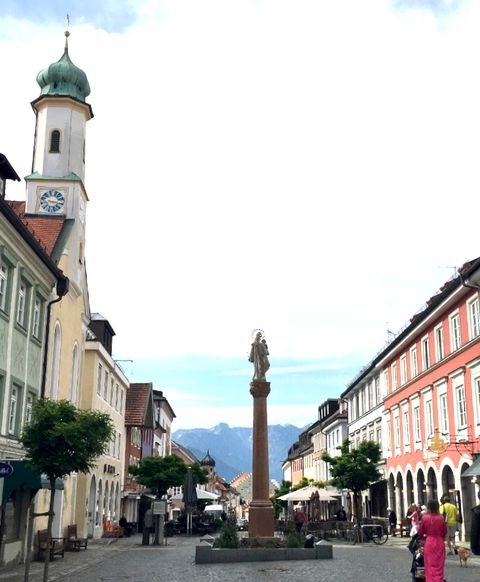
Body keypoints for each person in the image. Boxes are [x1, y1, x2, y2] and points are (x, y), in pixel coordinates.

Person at [418, 499, 447, 582]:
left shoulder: (425, 518)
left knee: (429, 565)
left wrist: (424, 537)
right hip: (439, 542)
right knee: (439, 566)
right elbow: (444, 532)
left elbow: (420, 532)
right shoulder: (441, 518)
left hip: (429, 542)